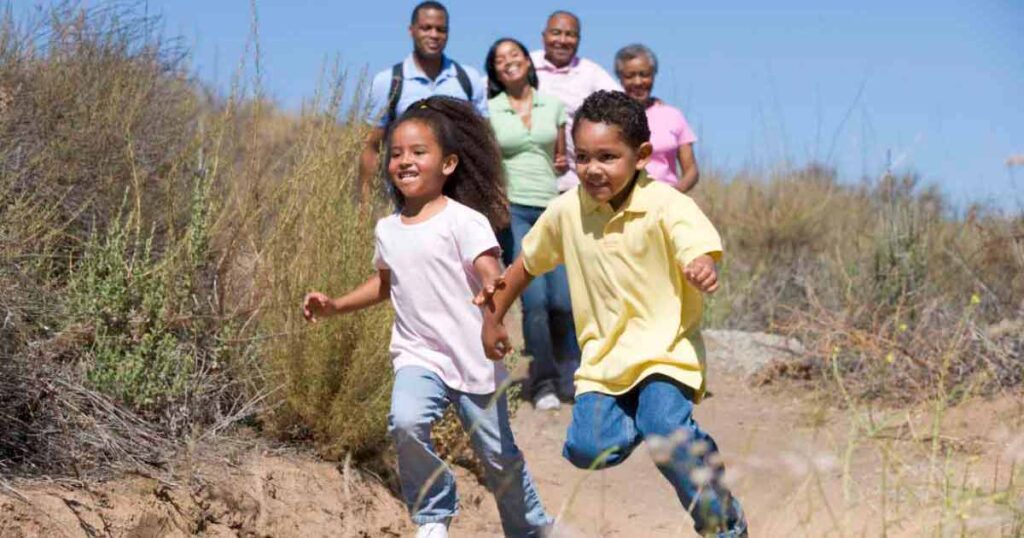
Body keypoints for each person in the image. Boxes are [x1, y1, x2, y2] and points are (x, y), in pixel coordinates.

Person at [476, 91, 747, 537]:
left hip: (665, 353)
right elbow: (524, 265)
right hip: (603, 360)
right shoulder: (567, 211)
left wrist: (702, 265)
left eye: (607, 157)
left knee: (665, 432)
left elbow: (696, 246)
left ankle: (724, 521)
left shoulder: (667, 204)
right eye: (582, 157)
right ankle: (645, 425)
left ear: (640, 156)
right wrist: (494, 317)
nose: (592, 169)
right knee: (587, 449)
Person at [304, 96, 551, 538]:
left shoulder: (465, 220)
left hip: (472, 356)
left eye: (419, 152)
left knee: (498, 458)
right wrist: (336, 305)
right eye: (396, 154)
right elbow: (385, 283)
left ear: (449, 163)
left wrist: (493, 292)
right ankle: (433, 515)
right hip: (418, 354)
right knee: (406, 419)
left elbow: (489, 268)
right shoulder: (388, 229)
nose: (405, 161)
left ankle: (533, 529)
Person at [484, 37, 579, 411]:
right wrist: (497, 201)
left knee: (563, 299)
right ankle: (543, 382)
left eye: (515, 55)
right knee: (535, 300)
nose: (509, 62)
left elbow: (560, 156)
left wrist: (560, 165)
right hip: (516, 210)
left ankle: (570, 367)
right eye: (500, 59)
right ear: (494, 71)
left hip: (552, 207)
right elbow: (489, 162)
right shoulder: (490, 111)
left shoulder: (553, 105)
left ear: (527, 60)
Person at [359, 1, 488, 201]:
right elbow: (371, 146)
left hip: (461, 196)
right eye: (426, 28)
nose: (434, 35)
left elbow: (483, 141)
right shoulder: (388, 81)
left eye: (441, 29)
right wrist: (365, 204)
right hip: (404, 199)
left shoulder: (468, 79)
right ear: (412, 31)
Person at [530, 10, 621, 193]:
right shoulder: (525, 64)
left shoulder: (592, 73)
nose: (562, 40)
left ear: (579, 40)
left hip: (573, 183)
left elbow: (623, 106)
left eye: (570, 35)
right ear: (544, 36)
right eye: (556, 33)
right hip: (525, 184)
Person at [615, 43, 700, 192]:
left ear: (653, 75)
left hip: (667, 202)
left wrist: (675, 193)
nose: (638, 82)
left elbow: (691, 171)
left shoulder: (673, 116)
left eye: (644, 74)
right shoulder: (611, 117)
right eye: (630, 76)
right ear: (620, 79)